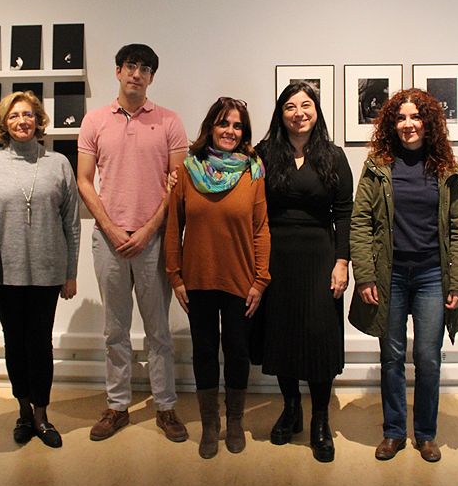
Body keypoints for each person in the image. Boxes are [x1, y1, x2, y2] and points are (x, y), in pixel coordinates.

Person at [349, 88, 458, 464]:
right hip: (391, 275)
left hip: (433, 274)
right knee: (392, 356)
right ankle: (394, 431)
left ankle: (427, 434)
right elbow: (360, 222)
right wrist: (365, 275)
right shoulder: (377, 167)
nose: (408, 124)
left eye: (415, 117)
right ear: (391, 123)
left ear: (428, 122)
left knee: (429, 357)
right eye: (400, 118)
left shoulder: (445, 169)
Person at [77, 44, 189, 442]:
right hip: (108, 240)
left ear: (152, 77)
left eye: (144, 68)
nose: (136, 74)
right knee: (115, 330)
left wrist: (147, 230)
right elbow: (85, 181)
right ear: (118, 71)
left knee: (159, 330)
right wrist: (109, 227)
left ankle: (166, 406)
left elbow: (177, 188)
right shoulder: (94, 121)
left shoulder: (170, 122)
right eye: (129, 66)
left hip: (154, 240)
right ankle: (117, 405)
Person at [0, 91, 80, 449]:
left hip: (48, 272)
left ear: (39, 121)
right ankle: (23, 409)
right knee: (15, 344)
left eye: (29, 115)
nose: (23, 121)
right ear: (4, 122)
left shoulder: (58, 163)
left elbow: (72, 223)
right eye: (15, 115)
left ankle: (41, 414)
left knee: (41, 344)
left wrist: (71, 272)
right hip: (4, 273)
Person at [165, 97, 270, 459]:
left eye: (237, 125)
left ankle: (236, 420)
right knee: (205, 351)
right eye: (224, 123)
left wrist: (261, 280)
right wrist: (175, 276)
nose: (230, 131)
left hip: (241, 280)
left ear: (245, 132)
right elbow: (173, 226)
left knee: (238, 351)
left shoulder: (253, 170)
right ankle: (210, 423)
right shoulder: (188, 170)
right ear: (211, 126)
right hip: (198, 279)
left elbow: (261, 229)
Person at [257, 81, 353, 463]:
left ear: (317, 111)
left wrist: (342, 262)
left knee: (318, 336)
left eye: (306, 105)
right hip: (276, 255)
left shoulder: (333, 155)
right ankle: (291, 408)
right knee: (280, 331)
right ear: (280, 114)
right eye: (290, 106)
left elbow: (344, 212)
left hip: (320, 255)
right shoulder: (264, 153)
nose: (299, 112)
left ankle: (319, 420)